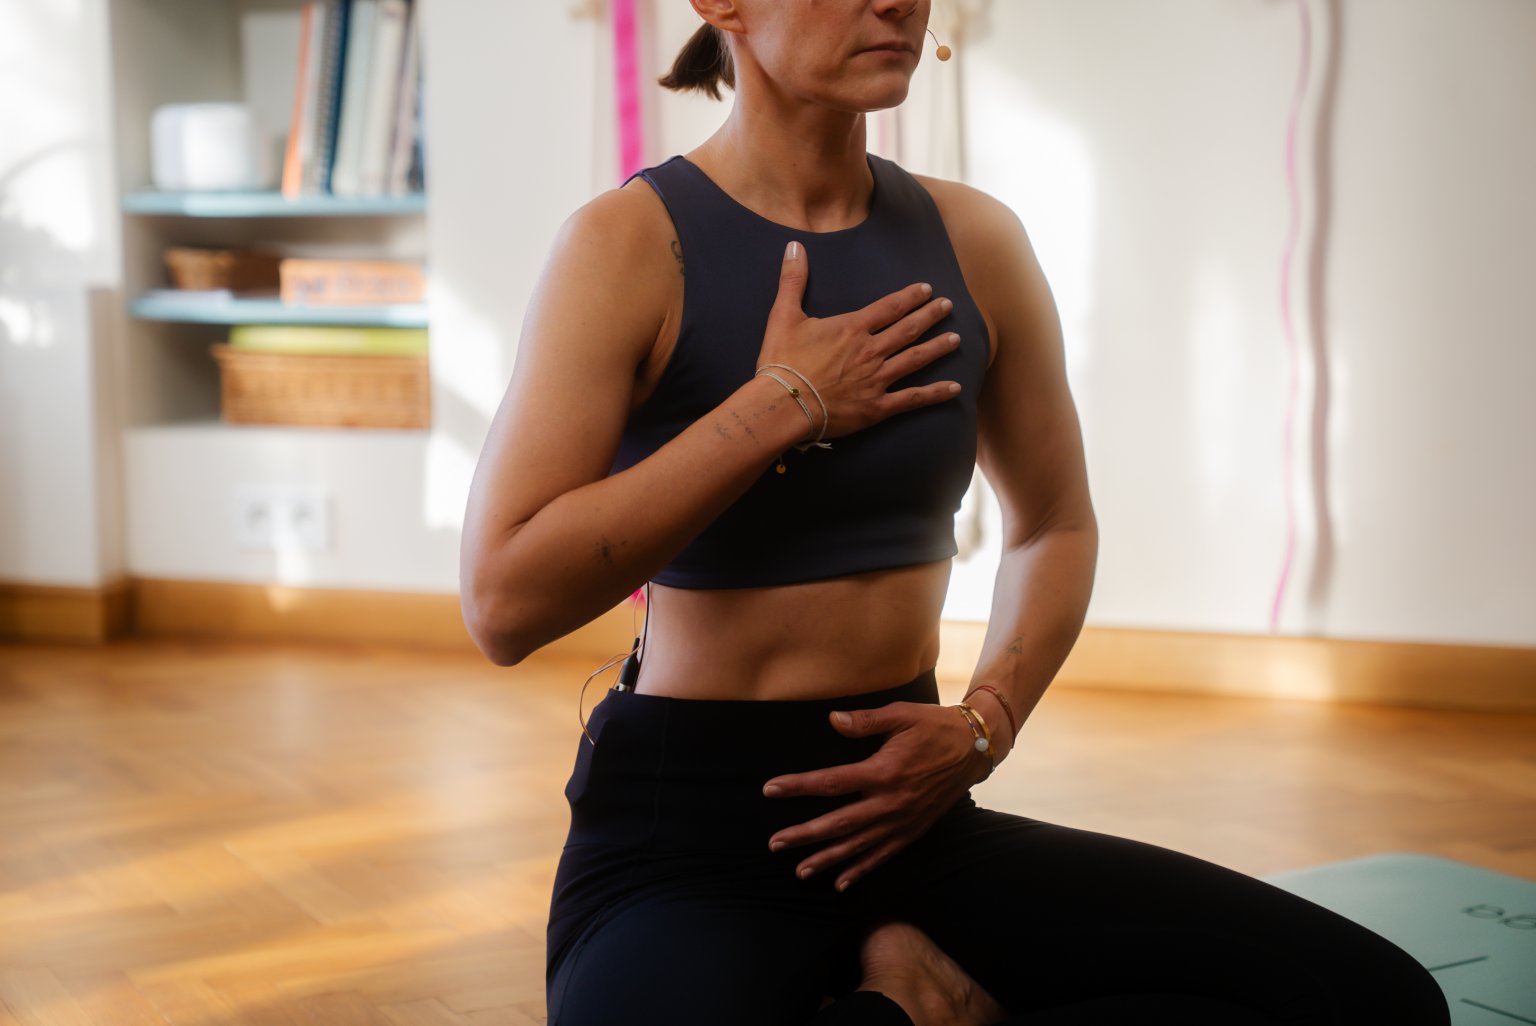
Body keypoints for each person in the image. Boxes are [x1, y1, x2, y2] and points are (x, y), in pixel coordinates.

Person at [458, 2, 1453, 1023]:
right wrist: (782, 404)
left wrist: (986, 724)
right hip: (690, 840)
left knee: (1378, 1002)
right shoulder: (625, 244)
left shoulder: (976, 239)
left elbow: (1054, 522)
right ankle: (907, 1006)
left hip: (916, 815)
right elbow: (502, 604)